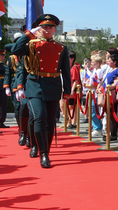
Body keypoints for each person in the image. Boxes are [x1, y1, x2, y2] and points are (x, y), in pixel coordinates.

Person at [10, 14, 72, 169]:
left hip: (53, 84)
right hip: (35, 84)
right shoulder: (31, 45)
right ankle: (42, 152)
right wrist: (28, 34)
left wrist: (67, 91)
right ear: (39, 28)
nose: (47, 29)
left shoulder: (61, 48)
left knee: (51, 121)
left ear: (55, 29)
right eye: (44, 26)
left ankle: (46, 150)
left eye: (50, 27)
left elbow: (66, 71)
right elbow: (15, 49)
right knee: (39, 116)